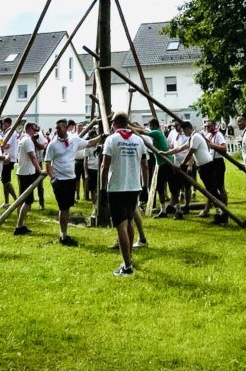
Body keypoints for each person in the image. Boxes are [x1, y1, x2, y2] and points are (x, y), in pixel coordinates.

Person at [102, 112, 149, 276]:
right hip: (134, 186)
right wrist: (145, 185)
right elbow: (145, 165)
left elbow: (104, 165)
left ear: (115, 123)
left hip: (116, 187)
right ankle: (128, 258)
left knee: (121, 225)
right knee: (129, 222)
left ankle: (127, 267)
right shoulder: (138, 140)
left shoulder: (111, 139)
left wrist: (102, 187)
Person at [45, 119, 101, 246]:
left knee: (66, 208)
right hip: (60, 181)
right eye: (56, 128)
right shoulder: (53, 144)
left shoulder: (74, 140)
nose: (56, 130)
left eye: (59, 128)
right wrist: (53, 179)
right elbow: (48, 163)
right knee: (63, 208)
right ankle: (63, 236)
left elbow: (89, 143)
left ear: (65, 128)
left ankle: (64, 234)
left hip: (70, 179)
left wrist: (101, 137)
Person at [13, 121, 44, 236]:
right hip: (27, 173)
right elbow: (33, 157)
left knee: (22, 199)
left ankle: (20, 223)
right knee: (28, 201)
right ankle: (19, 226)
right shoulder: (27, 140)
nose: (36, 131)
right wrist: (39, 170)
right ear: (30, 129)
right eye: (34, 129)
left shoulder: (22, 139)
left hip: (22, 171)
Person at [147, 117, 172, 218]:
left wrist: (130, 127)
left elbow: (143, 132)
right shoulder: (159, 132)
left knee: (160, 187)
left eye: (150, 126)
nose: (149, 128)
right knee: (171, 186)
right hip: (166, 162)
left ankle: (164, 210)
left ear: (153, 126)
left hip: (164, 163)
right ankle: (175, 209)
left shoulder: (156, 133)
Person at [0, 118, 19, 207]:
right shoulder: (9, 132)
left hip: (9, 159)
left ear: (7, 123)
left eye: (4, 123)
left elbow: (7, 145)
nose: (3, 125)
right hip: (7, 158)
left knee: (6, 180)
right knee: (4, 181)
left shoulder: (10, 132)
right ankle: (7, 202)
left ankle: (16, 200)